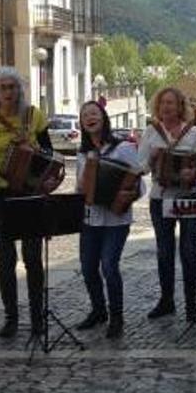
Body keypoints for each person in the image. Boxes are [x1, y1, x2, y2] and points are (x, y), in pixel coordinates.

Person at [0, 66, 62, 338]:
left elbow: (49, 153)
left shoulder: (34, 116)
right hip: (0, 195)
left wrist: (35, 149)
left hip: (30, 194)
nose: (9, 92)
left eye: (13, 87)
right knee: (5, 260)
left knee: (33, 258)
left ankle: (37, 318)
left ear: (19, 90)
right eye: (3, 88)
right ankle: (11, 317)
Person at [139, 87, 196, 325]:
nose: (166, 107)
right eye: (162, 103)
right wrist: (152, 158)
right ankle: (166, 300)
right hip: (160, 198)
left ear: (181, 107)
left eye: (171, 103)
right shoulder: (151, 132)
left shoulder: (195, 133)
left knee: (189, 250)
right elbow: (142, 168)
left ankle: (191, 304)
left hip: (190, 199)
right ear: (157, 107)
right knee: (164, 251)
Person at [74, 101, 143, 338]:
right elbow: (79, 190)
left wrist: (128, 195)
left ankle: (117, 317)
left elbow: (139, 183)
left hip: (116, 219)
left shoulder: (123, 148)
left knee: (109, 266)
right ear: (82, 124)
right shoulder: (83, 153)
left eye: (93, 113)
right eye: (85, 116)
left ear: (103, 117)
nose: (89, 117)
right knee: (88, 268)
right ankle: (98, 310)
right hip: (90, 220)